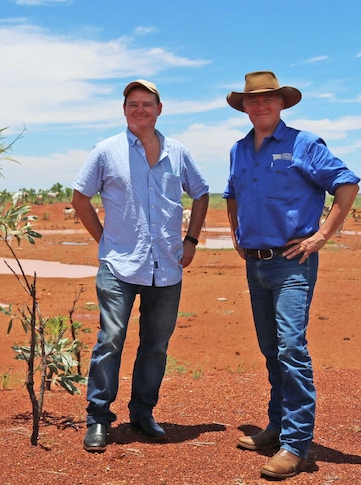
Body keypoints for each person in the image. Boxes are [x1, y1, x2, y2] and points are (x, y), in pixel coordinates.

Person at [222, 71, 360, 479]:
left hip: (292, 261)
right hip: (256, 262)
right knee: (271, 350)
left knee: (291, 350)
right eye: (252, 100)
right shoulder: (238, 149)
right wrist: (235, 236)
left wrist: (320, 236)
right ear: (244, 107)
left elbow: (347, 184)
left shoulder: (304, 143)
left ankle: (297, 445)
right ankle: (277, 427)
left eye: (268, 99)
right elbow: (231, 194)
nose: (259, 105)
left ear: (281, 103)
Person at [72, 79, 210, 452]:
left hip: (166, 266)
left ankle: (143, 413)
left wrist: (191, 240)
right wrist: (104, 239)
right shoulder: (106, 151)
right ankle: (98, 418)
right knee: (110, 340)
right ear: (124, 110)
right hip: (119, 266)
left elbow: (201, 193)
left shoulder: (177, 152)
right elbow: (80, 197)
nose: (139, 110)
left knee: (155, 346)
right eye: (133, 104)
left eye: (147, 104)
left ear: (159, 109)